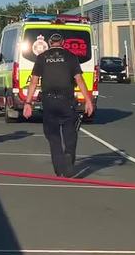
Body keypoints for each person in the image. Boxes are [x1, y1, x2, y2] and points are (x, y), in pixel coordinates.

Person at [23, 33, 94, 177]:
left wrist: (28, 102)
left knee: (52, 135)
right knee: (70, 133)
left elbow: (34, 81)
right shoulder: (70, 56)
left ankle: (58, 163)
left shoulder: (42, 57)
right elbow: (79, 80)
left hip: (49, 102)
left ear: (49, 42)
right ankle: (68, 157)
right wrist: (88, 101)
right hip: (66, 101)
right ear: (63, 42)